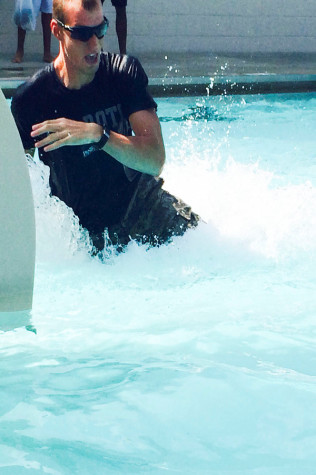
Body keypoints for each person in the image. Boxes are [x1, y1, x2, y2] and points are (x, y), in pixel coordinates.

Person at [11, 0, 199, 253]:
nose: (94, 44)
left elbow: (155, 159)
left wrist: (97, 135)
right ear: (57, 31)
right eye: (82, 34)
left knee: (209, 251)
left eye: (100, 30)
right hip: (84, 233)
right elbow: (16, 182)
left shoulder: (123, 74)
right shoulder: (31, 100)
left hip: (143, 206)